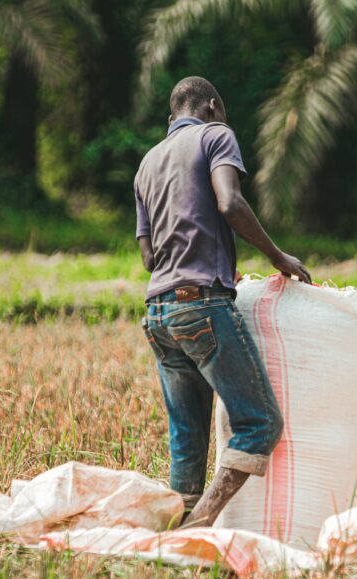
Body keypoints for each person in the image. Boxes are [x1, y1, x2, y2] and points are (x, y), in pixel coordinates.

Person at [133, 76, 311, 527]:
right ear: (212, 105)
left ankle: (177, 533)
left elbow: (149, 255)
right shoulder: (216, 135)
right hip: (201, 305)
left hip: (157, 313)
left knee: (187, 442)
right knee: (260, 424)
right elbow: (230, 203)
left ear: (170, 117)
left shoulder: (147, 163)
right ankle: (201, 525)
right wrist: (279, 257)